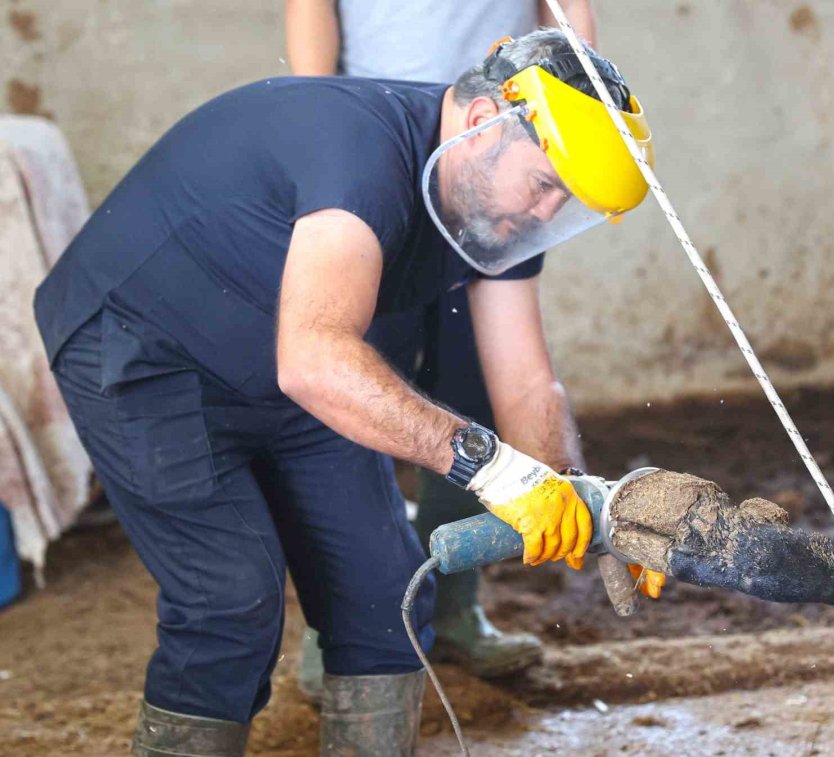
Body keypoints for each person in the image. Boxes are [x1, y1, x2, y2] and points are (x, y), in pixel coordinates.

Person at [35, 28, 653, 756]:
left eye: (567, 200)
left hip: (287, 367)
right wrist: (490, 466)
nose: (546, 213)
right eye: (545, 185)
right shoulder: (363, 153)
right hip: (146, 350)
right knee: (230, 598)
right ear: (486, 122)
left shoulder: (496, 207)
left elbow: (524, 378)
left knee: (386, 591)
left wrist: (580, 498)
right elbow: (314, 360)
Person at [284, 0, 597, 689]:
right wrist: (322, 122)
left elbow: (570, 14)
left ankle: (455, 609)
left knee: (473, 393)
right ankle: (338, 627)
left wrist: (574, 121)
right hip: (387, 150)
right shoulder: (358, 161)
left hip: (511, 152)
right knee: (350, 401)